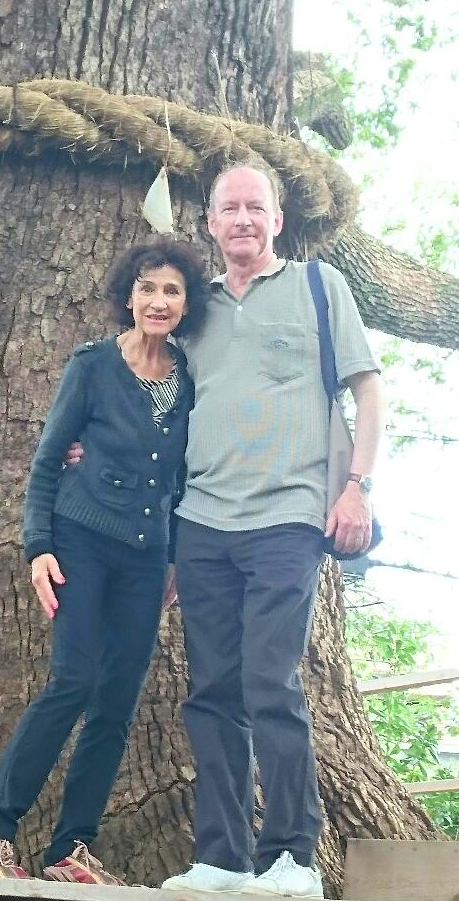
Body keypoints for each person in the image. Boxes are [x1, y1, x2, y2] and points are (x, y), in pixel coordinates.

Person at [157, 162, 384, 898]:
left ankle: (293, 857)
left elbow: (368, 389)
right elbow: (165, 411)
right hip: (200, 524)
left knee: (269, 680)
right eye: (231, 209)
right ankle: (221, 858)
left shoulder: (322, 289)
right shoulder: (196, 308)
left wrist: (357, 489)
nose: (245, 220)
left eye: (257, 207)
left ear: (277, 219)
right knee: (212, 689)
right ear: (212, 224)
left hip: (288, 518)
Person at [0, 239, 207, 883]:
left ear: (186, 304)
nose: (158, 301)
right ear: (128, 295)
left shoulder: (190, 377)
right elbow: (47, 460)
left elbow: (180, 476)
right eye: (148, 287)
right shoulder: (93, 365)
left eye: (172, 291)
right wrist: (38, 546)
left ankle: (70, 850)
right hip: (81, 544)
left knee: (117, 702)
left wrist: (175, 558)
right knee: (73, 679)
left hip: (148, 560)